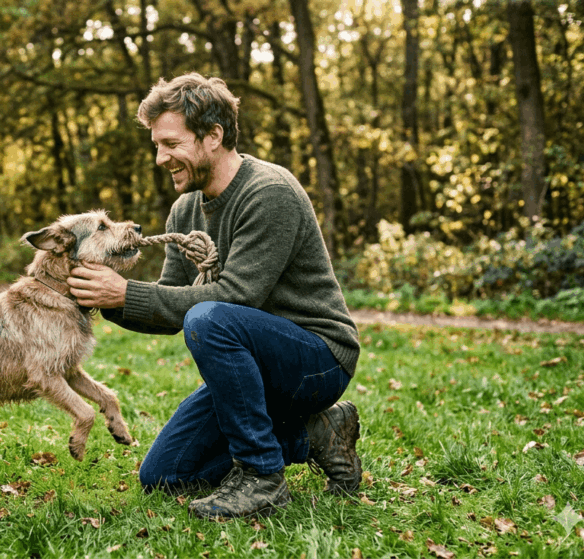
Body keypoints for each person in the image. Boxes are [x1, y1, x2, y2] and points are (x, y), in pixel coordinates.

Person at [66, 73, 362, 520]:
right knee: (164, 475)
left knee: (210, 318)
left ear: (213, 136)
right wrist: (104, 298)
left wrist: (127, 291)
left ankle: (262, 478)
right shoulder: (186, 208)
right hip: (254, 366)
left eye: (170, 143)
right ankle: (317, 433)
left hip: (316, 360)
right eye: (157, 146)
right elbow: (168, 304)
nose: (161, 157)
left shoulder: (269, 192)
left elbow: (236, 297)